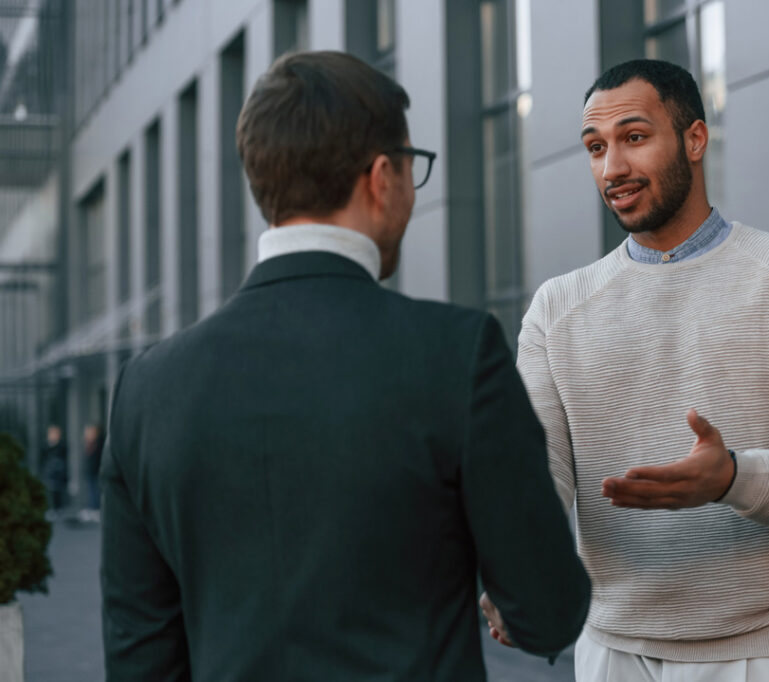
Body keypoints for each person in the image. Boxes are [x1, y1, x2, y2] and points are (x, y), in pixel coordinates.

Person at [100, 51, 589, 681]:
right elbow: (548, 610)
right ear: (382, 176)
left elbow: (140, 658)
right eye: (414, 168)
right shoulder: (455, 353)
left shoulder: (145, 390)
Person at [505, 59, 769, 681]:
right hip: (611, 652)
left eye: (634, 138)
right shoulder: (557, 306)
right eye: (595, 147)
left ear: (694, 138)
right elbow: (536, 473)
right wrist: (515, 570)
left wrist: (734, 476)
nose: (612, 169)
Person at [40, 424, 67, 521]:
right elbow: (42, 458)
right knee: (50, 490)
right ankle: (52, 508)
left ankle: (59, 508)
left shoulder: (62, 445)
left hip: (59, 472)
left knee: (58, 490)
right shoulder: (46, 445)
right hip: (50, 472)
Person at [79, 424, 104, 522]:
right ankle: (92, 509)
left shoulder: (99, 444)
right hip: (90, 471)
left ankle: (96, 510)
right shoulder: (89, 444)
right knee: (91, 491)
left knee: (95, 491)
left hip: (96, 471)